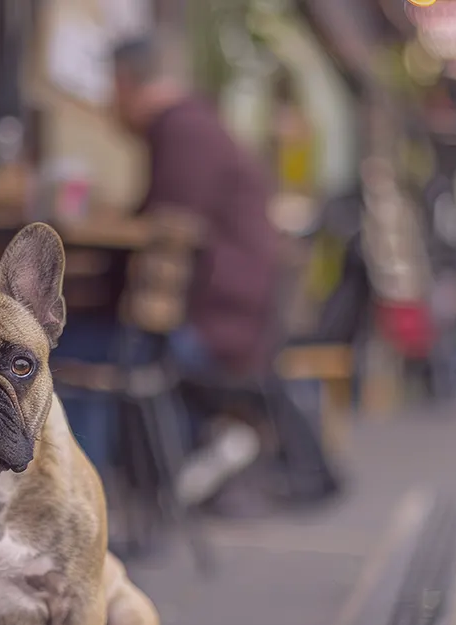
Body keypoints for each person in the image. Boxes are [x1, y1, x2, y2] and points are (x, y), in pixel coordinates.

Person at [106, 34, 340, 515]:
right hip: (240, 302)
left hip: (219, 310)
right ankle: (198, 465)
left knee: (103, 344)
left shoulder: (182, 128)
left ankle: (130, 489)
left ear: (124, 83)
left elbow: (167, 222)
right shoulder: (196, 123)